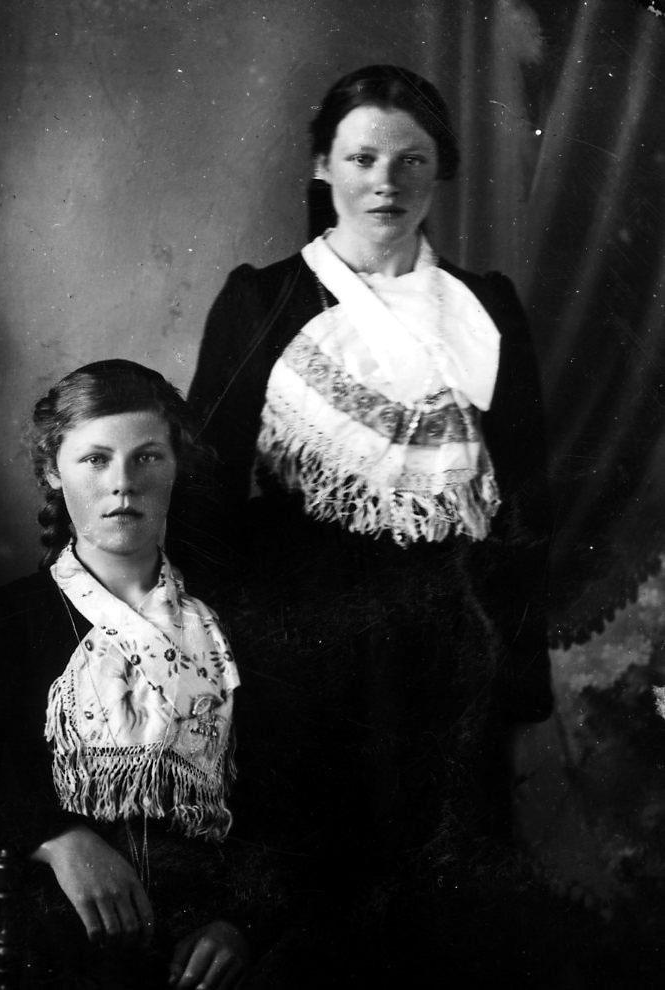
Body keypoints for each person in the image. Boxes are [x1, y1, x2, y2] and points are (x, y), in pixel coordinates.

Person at [188, 65, 554, 986]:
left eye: (411, 159)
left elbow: (527, 507)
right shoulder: (265, 299)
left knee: (440, 918)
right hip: (299, 645)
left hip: (448, 653)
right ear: (323, 166)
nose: (385, 182)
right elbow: (204, 497)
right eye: (361, 158)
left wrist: (523, 694)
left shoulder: (484, 309)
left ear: (439, 170)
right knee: (309, 909)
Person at [0, 360, 255, 989]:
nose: (123, 485)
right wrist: (57, 839)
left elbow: (290, 800)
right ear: (53, 470)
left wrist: (240, 923)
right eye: (95, 460)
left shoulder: (229, 627)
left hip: (207, 942)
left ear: (177, 467)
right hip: (59, 936)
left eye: (148, 458)